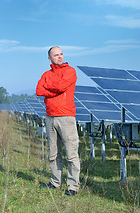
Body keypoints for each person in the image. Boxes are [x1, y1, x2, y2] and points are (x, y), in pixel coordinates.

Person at [36, 46, 80, 196]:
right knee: (53, 153)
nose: (60, 57)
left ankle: (72, 186)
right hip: (50, 117)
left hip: (66, 116)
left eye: (61, 54)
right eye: (56, 55)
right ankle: (55, 182)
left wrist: (49, 88)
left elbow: (61, 87)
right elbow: (39, 90)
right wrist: (53, 89)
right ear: (50, 58)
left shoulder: (70, 71)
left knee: (71, 153)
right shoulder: (46, 74)